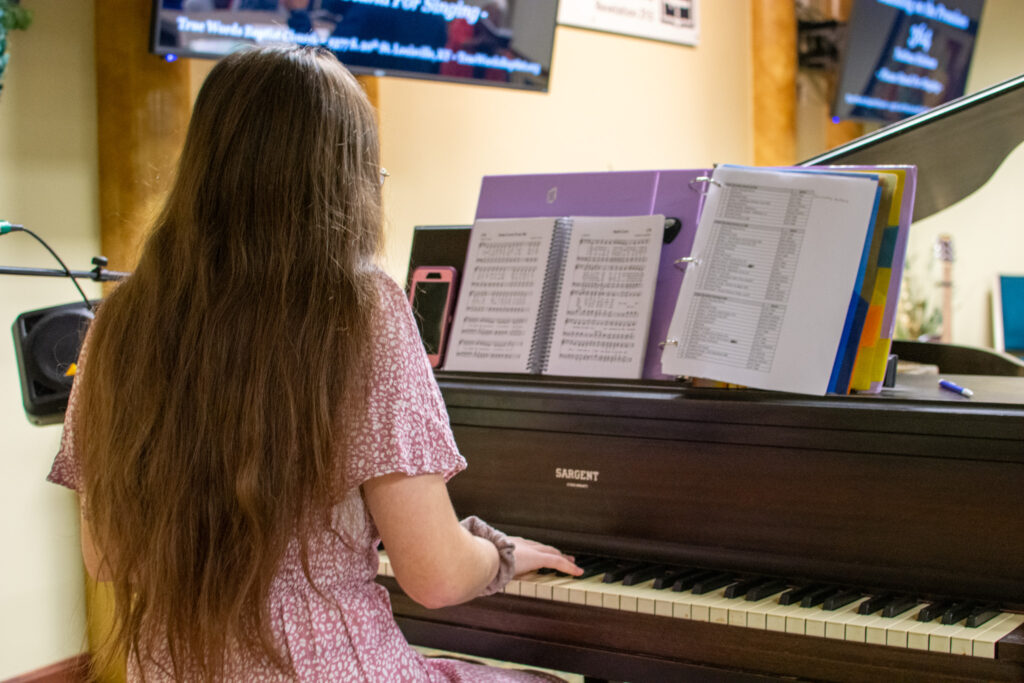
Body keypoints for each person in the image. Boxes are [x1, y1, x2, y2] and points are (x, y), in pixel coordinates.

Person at [47, 45, 581, 681]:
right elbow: (435, 576)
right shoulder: (363, 308)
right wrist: (498, 554)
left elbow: (106, 558)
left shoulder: (121, 320)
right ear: (341, 181)